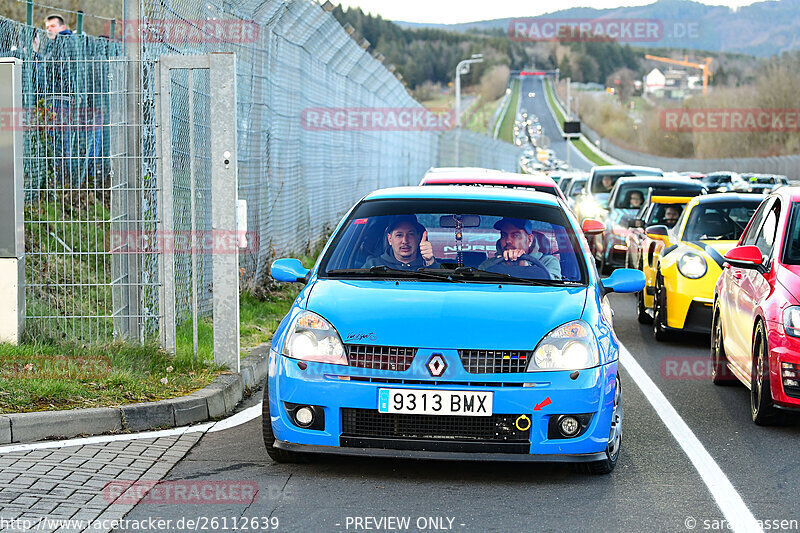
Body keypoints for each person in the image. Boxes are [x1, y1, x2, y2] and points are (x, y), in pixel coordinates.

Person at [479, 218, 561, 279]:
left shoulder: (548, 262)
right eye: (504, 235)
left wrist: (525, 266)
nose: (508, 241)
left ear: (529, 240)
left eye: (515, 235)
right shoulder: (488, 265)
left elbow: (554, 289)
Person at [363, 215, 438, 270]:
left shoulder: (432, 264)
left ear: (418, 237)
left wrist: (430, 262)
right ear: (390, 239)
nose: (405, 241)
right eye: (399, 235)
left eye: (410, 234)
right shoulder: (372, 266)